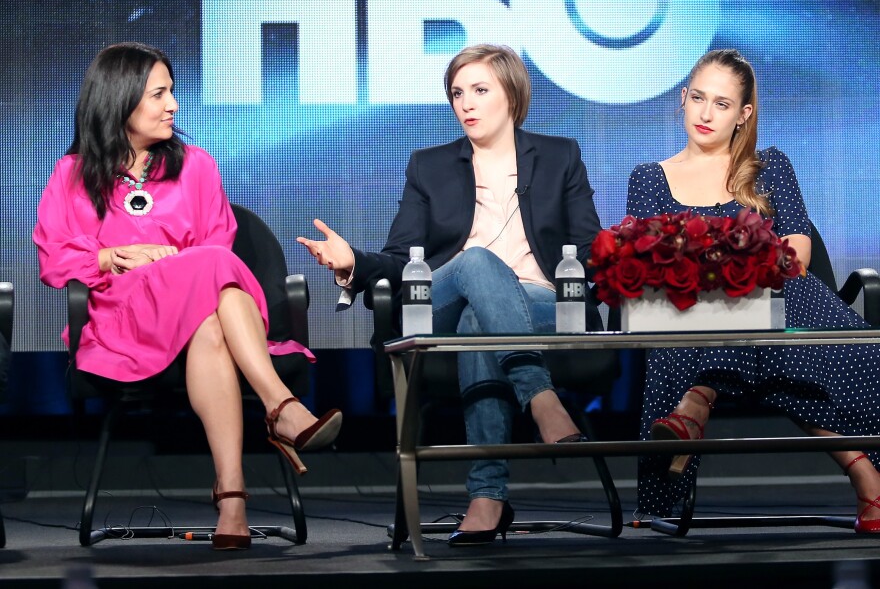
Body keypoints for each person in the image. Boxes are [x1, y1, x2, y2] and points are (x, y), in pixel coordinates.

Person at [33, 43, 342, 551]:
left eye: (172, 91)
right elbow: (57, 263)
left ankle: (233, 502)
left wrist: (171, 265)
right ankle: (281, 408)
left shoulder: (195, 165)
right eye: (159, 94)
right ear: (120, 100)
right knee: (213, 270)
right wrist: (118, 256)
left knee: (212, 309)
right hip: (121, 320)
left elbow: (219, 245)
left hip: (202, 314)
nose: (173, 104)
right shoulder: (73, 174)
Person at [297, 44, 603, 546]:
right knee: (479, 262)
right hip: (443, 301)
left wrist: (637, 257)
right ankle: (540, 396)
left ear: (512, 95)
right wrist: (353, 262)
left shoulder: (558, 156)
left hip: (541, 304)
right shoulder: (430, 166)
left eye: (480, 91)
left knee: (480, 325)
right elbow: (401, 258)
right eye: (458, 93)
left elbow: (590, 246)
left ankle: (487, 497)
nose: (467, 103)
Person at [626, 48, 880, 533]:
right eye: (698, 98)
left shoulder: (769, 167)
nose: (705, 113)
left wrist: (725, 264)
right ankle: (870, 483)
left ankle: (694, 404)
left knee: (783, 330)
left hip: (782, 300)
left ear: (744, 114)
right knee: (713, 319)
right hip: (694, 312)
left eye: (721, 104)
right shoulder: (649, 178)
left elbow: (796, 250)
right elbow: (646, 264)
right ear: (682, 99)